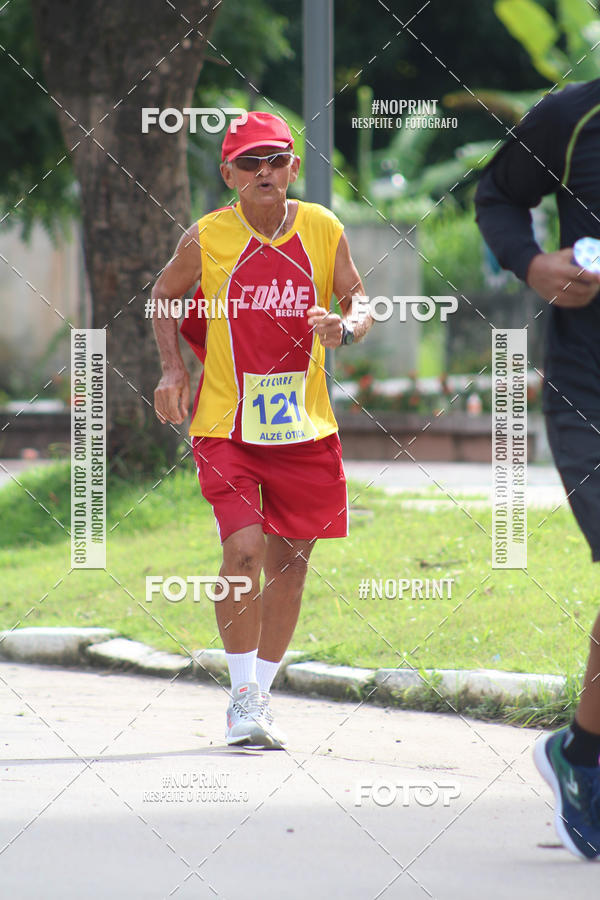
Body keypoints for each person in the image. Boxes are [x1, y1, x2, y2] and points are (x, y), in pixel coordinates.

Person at [151, 111, 371, 749]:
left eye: (276, 159)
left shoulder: (322, 228)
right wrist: (172, 370)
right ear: (229, 174)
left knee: (293, 564)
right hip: (227, 424)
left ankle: (263, 694)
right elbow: (165, 296)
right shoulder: (207, 237)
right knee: (243, 549)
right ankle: (242, 696)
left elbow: (359, 299)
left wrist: (347, 327)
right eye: (250, 162)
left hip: (303, 426)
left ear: (293, 168)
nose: (265, 171)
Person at [475, 78, 600, 859]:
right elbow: (495, 194)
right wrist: (531, 264)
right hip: (591, 390)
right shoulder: (572, 116)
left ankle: (579, 754)